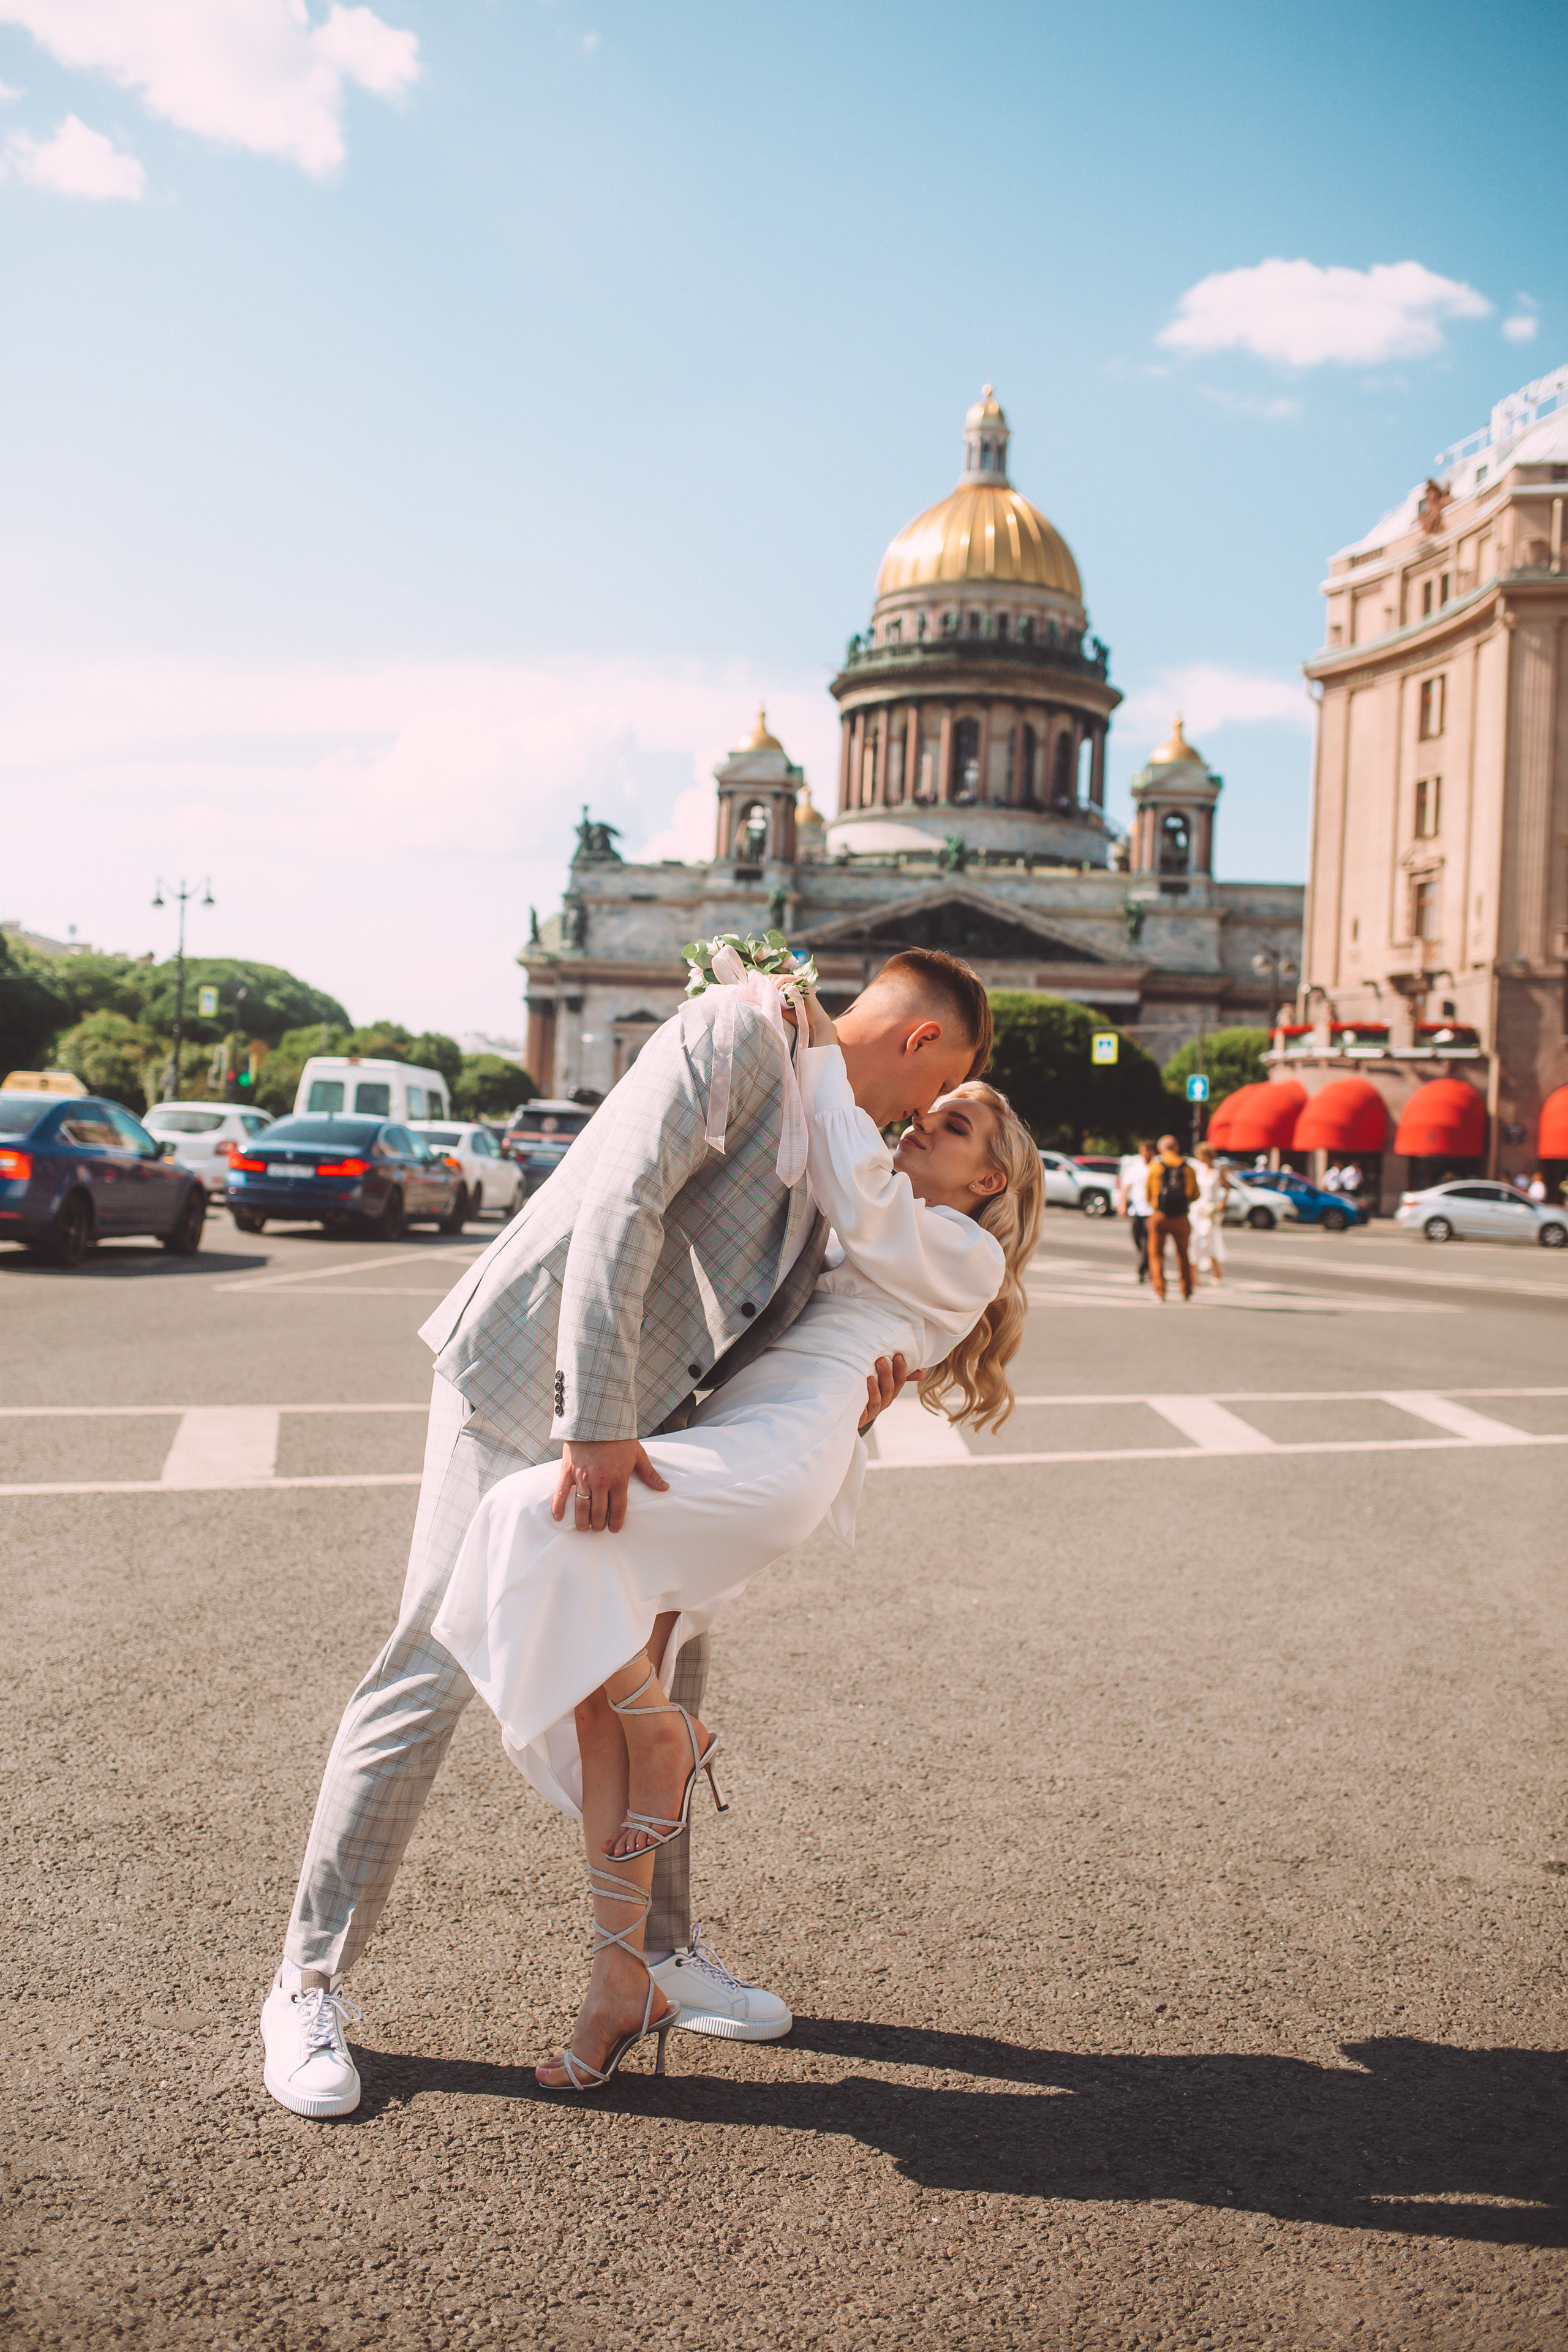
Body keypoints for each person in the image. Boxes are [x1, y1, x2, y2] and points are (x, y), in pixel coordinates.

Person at [260, 945, 992, 2120]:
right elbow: (620, 1199)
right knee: (426, 1669)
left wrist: (857, 1387)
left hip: (656, 1421)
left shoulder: (833, 1129)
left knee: (671, 1682)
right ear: (922, 1045)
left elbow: (772, 1311)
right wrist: (593, 1419)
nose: (917, 1122)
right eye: (935, 1091)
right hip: (532, 1381)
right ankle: (305, 1981)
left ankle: (657, 1954)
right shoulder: (741, 1031)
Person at [432, 985, 1044, 2091]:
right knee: (596, 1687)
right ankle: (617, 1981)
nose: (921, 1124)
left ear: (989, 1180)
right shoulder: (897, 1231)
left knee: (532, 1511)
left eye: (952, 1126)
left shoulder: (962, 1250)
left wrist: (813, 1046)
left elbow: (856, 1190)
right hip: (741, 1427)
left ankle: (657, 1727)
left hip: (778, 1454)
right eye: (930, 1110)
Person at [1146, 1133, 1199, 1301]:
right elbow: (1194, 1194)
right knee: (1183, 1254)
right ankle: (1186, 1290)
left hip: (1160, 1216)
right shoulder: (1188, 1168)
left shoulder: (1155, 1167)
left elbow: (1148, 1193)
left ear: (1161, 1149)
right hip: (1181, 1217)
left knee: (1156, 1254)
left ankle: (1160, 1291)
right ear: (1177, 1148)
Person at [1191, 1142, 1230, 1285]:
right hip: (1197, 1208)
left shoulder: (1219, 1171)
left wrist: (1222, 1203)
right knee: (1194, 1240)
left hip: (1211, 1210)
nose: (1197, 1157)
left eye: (1199, 1154)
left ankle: (1217, 1271)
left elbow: (1227, 1188)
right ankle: (1194, 1276)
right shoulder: (1198, 1170)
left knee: (1209, 1241)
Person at [1117, 1137, 1156, 1282]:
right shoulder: (1135, 1167)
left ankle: (1142, 1270)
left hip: (1151, 1210)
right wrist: (1123, 1205)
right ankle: (1149, 1264)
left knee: (1147, 1241)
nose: (1145, 1154)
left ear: (1153, 1152)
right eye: (1143, 1151)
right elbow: (1126, 1187)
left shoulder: (1156, 1167)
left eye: (1148, 1151)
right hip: (1136, 1209)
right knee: (1137, 1239)